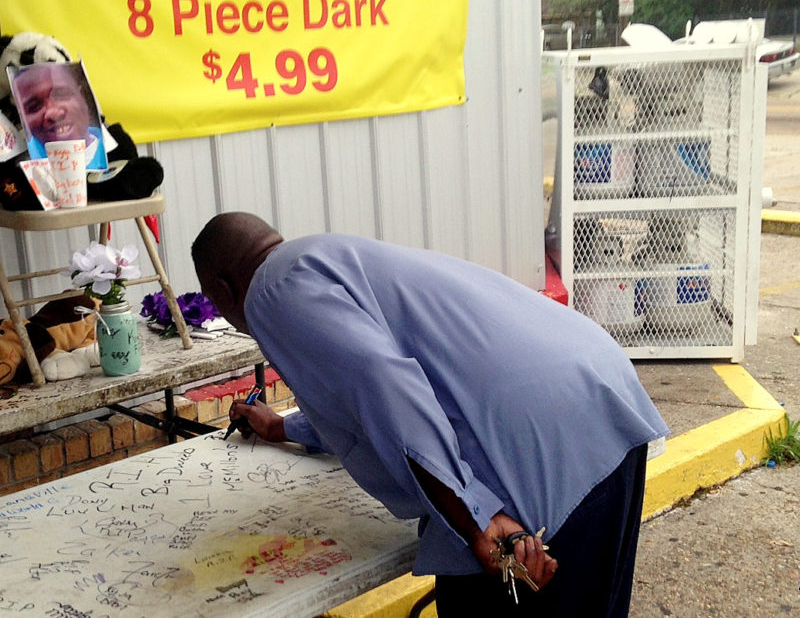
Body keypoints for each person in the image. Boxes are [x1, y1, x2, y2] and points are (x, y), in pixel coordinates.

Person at [191, 212, 670, 617]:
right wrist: (284, 427)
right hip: (599, 398)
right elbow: (359, 391)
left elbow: (382, 385)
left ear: (221, 288)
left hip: (541, 439)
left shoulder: (271, 294)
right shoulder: (320, 254)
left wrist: (474, 520)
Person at [10, 63, 103, 162]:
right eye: (34, 107)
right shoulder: (18, 170)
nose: (52, 113)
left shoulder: (117, 155)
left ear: (82, 97)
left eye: (61, 95)